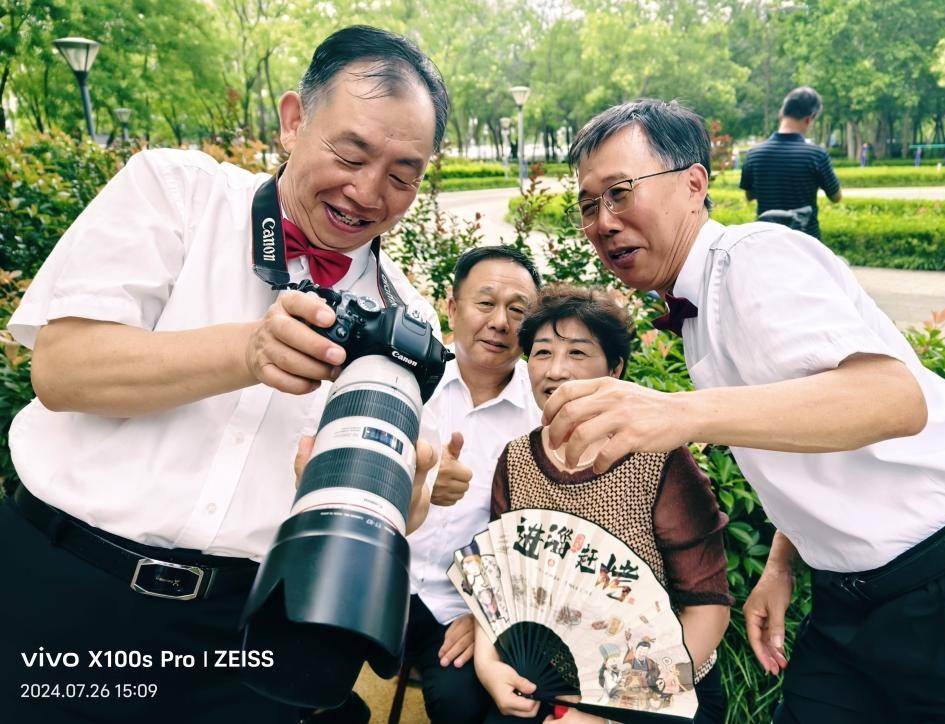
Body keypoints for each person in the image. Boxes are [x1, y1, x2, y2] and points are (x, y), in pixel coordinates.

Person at [1, 25, 449, 724]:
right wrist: (248, 353)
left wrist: (402, 495)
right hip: (63, 585)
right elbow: (61, 370)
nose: (367, 192)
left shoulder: (408, 320)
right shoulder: (177, 192)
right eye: (350, 153)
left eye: (402, 175)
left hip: (244, 639)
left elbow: (406, 505)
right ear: (294, 119)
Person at [545, 97, 945, 722]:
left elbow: (894, 400)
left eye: (620, 192)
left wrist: (677, 413)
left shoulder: (753, 259)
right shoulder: (698, 305)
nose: (602, 220)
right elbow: (806, 432)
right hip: (850, 602)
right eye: (588, 203)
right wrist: (780, 563)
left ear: (694, 185)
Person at [475, 285, 732, 724]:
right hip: (551, 677)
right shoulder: (517, 459)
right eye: (541, 353)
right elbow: (498, 581)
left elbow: (708, 609)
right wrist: (489, 666)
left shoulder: (659, 456)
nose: (556, 370)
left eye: (577, 353)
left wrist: (615, 708)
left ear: (614, 369)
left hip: (662, 684)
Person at [404, 245, 542, 723]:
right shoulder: (407, 382)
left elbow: (543, 540)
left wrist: (488, 618)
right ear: (452, 307)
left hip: (459, 607)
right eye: (485, 303)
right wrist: (420, 488)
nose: (500, 321)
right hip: (378, 579)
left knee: (463, 702)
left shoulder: (542, 414)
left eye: (518, 310)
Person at [739, 86, 841, 239]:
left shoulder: (754, 154)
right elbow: (836, 197)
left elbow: (750, 195)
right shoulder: (817, 155)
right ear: (809, 118)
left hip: (766, 241)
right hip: (806, 242)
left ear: (781, 114)